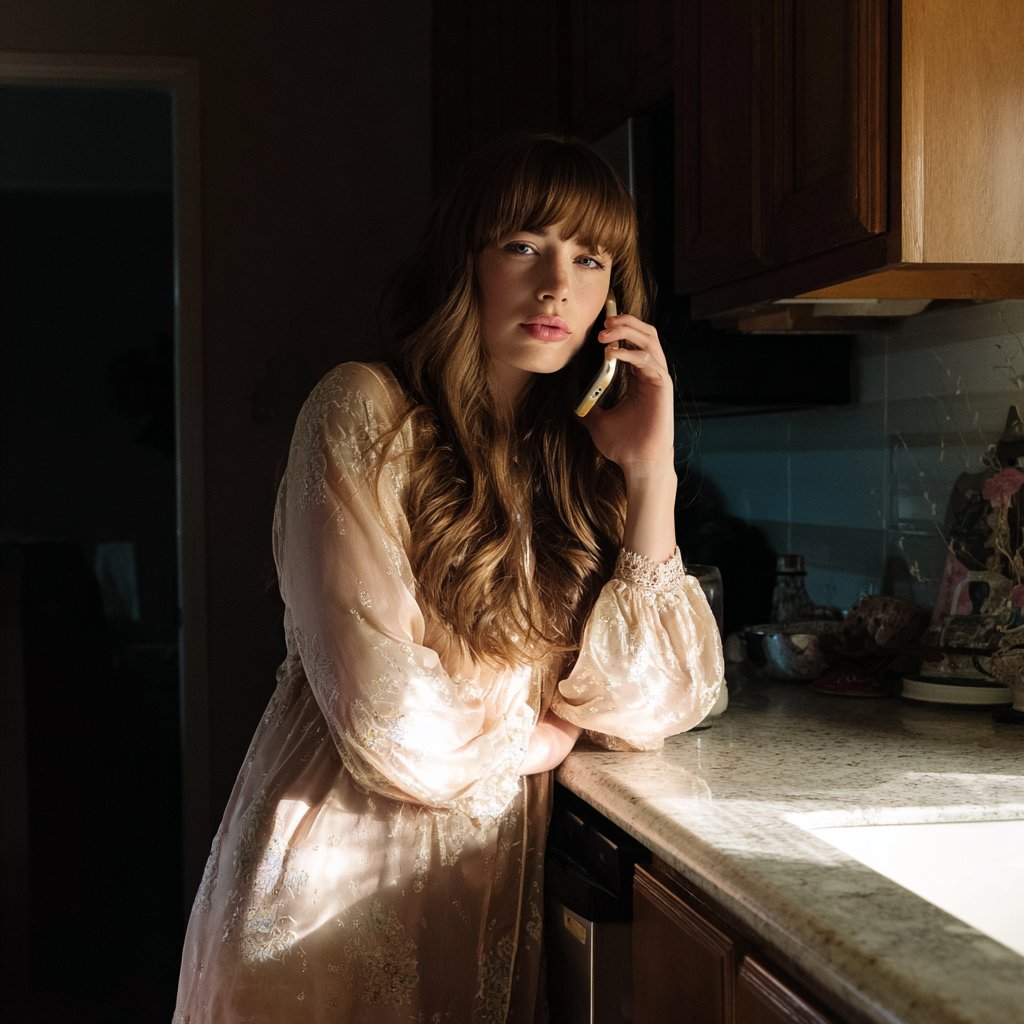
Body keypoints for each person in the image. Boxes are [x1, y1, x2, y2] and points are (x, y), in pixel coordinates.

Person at [173, 133, 724, 1023]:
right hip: (328, 902)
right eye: (523, 246)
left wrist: (649, 474)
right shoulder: (361, 411)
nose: (556, 286)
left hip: (479, 903)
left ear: (613, 299)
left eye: (588, 258)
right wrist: (542, 740)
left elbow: (659, 699)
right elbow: (394, 726)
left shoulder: (574, 465)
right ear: (464, 261)